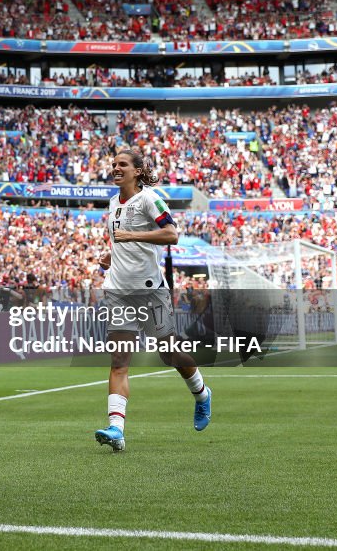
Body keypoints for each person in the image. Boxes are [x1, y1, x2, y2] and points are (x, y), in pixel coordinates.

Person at [94, 149, 212, 452]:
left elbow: (172, 234)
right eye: (114, 164)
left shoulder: (149, 198)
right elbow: (121, 240)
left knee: (169, 355)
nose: (116, 168)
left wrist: (131, 236)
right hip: (118, 290)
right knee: (119, 361)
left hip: (149, 291)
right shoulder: (112, 203)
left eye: (123, 164)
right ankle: (116, 429)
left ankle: (201, 394)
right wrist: (112, 256)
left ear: (137, 171)